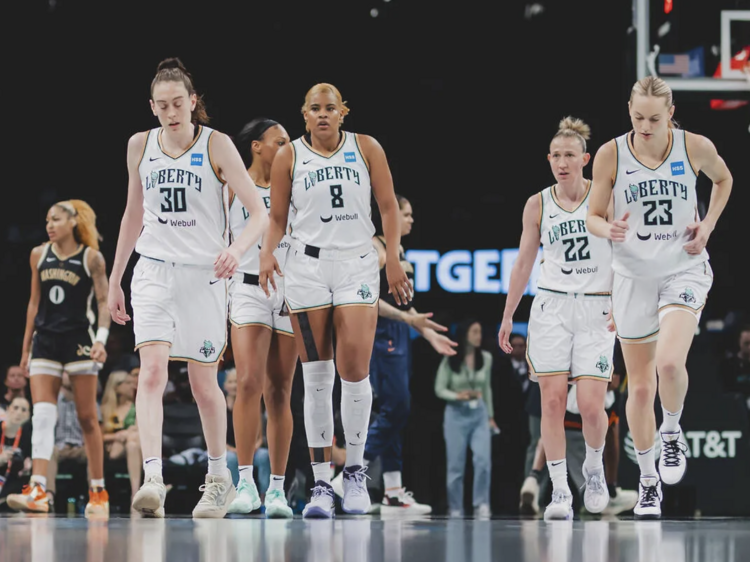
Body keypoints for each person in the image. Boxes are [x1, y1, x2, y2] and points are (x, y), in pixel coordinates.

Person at [107, 57, 269, 519]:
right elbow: (132, 215)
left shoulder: (216, 145)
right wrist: (117, 276)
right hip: (154, 269)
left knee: (203, 383)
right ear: (152, 107)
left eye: (179, 102)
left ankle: (219, 477)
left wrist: (236, 251)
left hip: (205, 274)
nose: (171, 111)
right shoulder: (140, 144)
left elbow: (259, 213)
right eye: (162, 105)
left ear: (193, 102)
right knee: (152, 372)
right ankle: (153, 479)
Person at [259, 82, 412, 518]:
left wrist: (394, 260)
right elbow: (277, 217)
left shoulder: (366, 148)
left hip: (357, 262)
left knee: (354, 372)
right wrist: (269, 254)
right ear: (303, 115)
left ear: (343, 112)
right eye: (314, 108)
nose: (322, 114)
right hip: (306, 266)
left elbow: (387, 207)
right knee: (318, 375)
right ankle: (322, 483)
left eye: (330, 108)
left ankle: (357, 473)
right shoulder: (290, 156)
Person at [587, 76, 733, 519]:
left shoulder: (694, 146)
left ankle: (672, 430)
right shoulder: (613, 153)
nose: (645, 126)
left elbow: (723, 180)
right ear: (628, 111)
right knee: (641, 385)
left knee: (670, 362)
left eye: (654, 118)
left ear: (670, 113)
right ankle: (648, 484)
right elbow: (593, 214)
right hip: (633, 276)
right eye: (637, 117)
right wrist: (606, 228)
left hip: (682, 269)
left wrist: (706, 226)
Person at [499, 117, 616, 520]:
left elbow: (625, 255)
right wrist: (508, 314)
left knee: (589, 406)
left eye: (570, 155)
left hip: (597, 304)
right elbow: (523, 262)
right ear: (548, 159)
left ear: (585, 158)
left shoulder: (606, 198)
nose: (563, 162)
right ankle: (561, 492)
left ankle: (595, 470)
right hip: (551, 306)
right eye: (556, 156)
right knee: (551, 402)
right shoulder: (538, 203)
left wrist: (623, 299)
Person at [332, 193, 456, 513]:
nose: (412, 220)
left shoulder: (397, 250)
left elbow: (404, 304)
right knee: (396, 408)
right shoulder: (375, 250)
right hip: (381, 334)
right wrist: (404, 319)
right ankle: (349, 473)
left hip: (399, 334)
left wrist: (425, 332)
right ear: (390, 216)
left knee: (394, 414)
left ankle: (393, 491)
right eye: (407, 214)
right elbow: (365, 298)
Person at [9, 199, 110, 518]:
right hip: (46, 343)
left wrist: (101, 340)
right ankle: (37, 488)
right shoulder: (38, 255)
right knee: (41, 415)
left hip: (80, 340)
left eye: (55, 220)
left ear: (73, 222)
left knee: (86, 418)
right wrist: (26, 349)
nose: (49, 225)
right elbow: (33, 305)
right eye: (47, 220)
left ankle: (98, 491)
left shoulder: (91, 258)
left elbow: (105, 303)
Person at [224, 118, 298, 518]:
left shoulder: (294, 187)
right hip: (248, 287)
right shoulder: (233, 189)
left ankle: (277, 490)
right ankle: (246, 483)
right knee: (248, 381)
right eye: (279, 141)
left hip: (287, 291)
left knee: (280, 391)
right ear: (256, 146)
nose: (287, 147)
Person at [435, 319, 496, 517]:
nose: (479, 336)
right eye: (475, 331)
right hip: (455, 413)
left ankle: (482, 503)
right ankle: (455, 506)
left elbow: (487, 388)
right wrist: (457, 396)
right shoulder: (451, 358)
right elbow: (439, 388)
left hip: (478, 413)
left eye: (480, 332)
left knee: (483, 460)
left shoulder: (486, 358)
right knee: (455, 464)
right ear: (465, 334)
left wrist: (490, 416)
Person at [100, 370, 141, 502]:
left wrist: (127, 434)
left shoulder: (136, 407)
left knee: (132, 443)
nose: (133, 386)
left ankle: (135, 493)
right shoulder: (105, 409)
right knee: (131, 439)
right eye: (128, 383)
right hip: (110, 449)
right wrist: (117, 436)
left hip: (131, 446)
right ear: (116, 387)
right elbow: (97, 436)